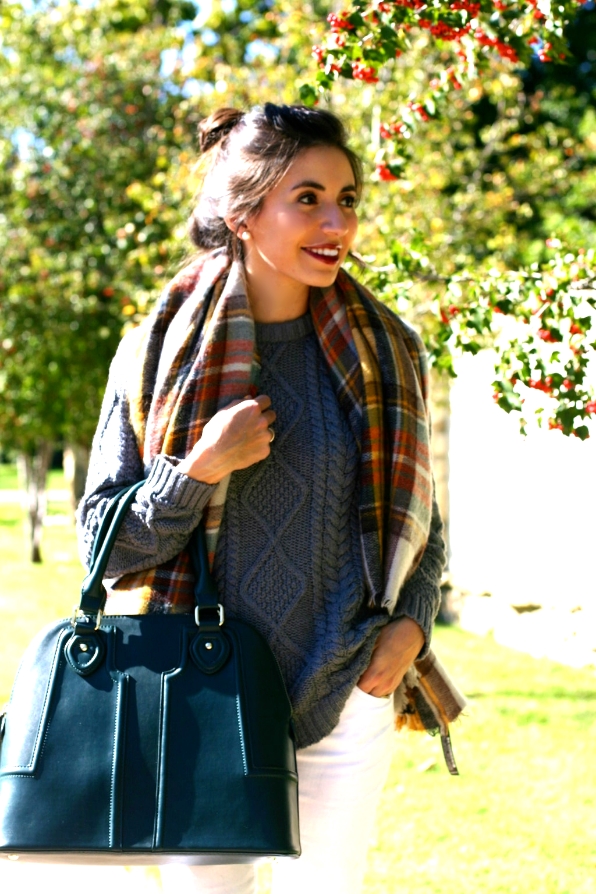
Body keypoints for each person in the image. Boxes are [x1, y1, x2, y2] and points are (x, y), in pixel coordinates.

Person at [77, 103, 446, 894]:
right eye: (307, 198)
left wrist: (411, 626)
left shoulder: (387, 353)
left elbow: (422, 521)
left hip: (347, 687)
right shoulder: (152, 354)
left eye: (346, 199)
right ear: (242, 214)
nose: (336, 222)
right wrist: (199, 468)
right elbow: (104, 546)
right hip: (196, 695)